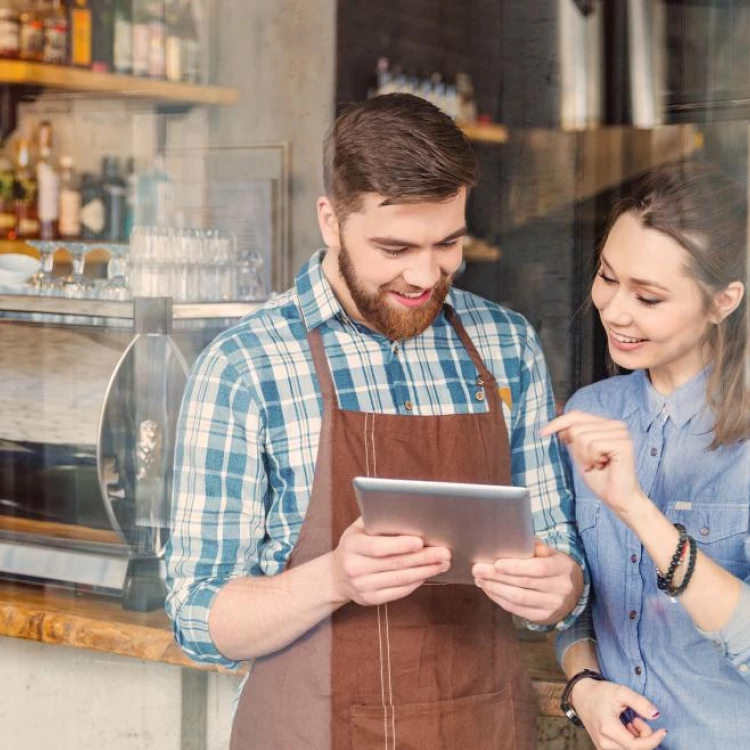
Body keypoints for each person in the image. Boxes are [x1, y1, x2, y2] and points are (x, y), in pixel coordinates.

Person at [166, 92, 588, 750]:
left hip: (480, 728)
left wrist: (559, 588)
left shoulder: (508, 345)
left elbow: (561, 565)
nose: (425, 274)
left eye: (448, 243)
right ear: (331, 221)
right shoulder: (244, 366)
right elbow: (199, 617)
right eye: (395, 247)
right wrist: (334, 578)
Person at [545, 162, 750, 750]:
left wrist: (636, 508)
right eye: (608, 277)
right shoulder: (593, 410)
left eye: (649, 296)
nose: (614, 310)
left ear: (723, 301)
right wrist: (585, 684)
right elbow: (582, 600)